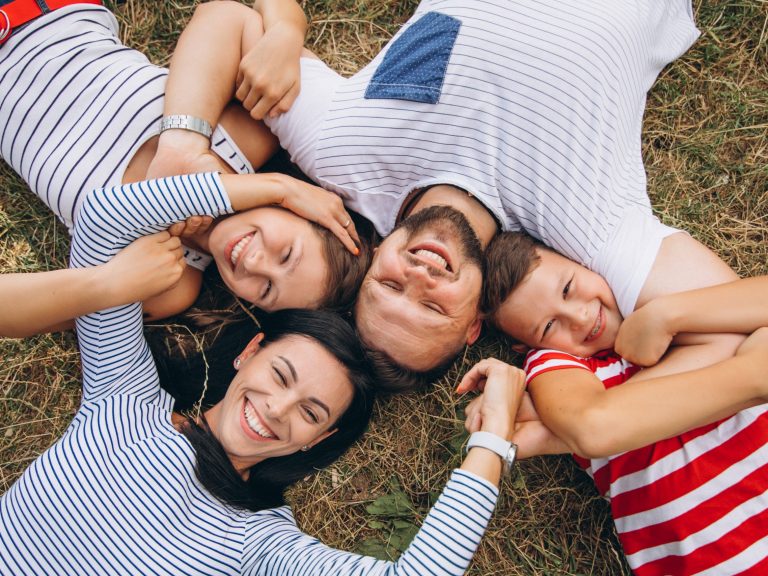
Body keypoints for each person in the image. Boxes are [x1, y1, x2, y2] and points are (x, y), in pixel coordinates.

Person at [154, 0, 742, 390]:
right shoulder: (590, 233)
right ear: (474, 323)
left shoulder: (343, 156)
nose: (419, 276)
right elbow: (739, 329)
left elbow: (230, 23)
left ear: (368, 258)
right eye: (433, 305)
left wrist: (183, 145)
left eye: (389, 286)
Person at [0, 169, 528, 575]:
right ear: (249, 352)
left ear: (318, 439)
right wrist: (274, 189)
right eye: (280, 375)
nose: (276, 409)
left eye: (310, 412)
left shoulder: (260, 544)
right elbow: (104, 217)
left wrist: (493, 437)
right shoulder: (125, 401)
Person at [0, 0, 369, 322]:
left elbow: (37, 310)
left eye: (267, 290)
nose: (255, 265)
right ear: (301, 210)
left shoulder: (170, 281)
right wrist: (185, 147)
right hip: (48, 12)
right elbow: (228, 18)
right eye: (286, 254)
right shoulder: (249, 136)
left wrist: (108, 285)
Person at [475, 231, 768, 575]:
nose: (581, 318)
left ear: (582, 263)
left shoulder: (670, 298)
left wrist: (667, 315)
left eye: (568, 288)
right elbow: (591, 420)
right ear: (527, 348)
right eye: (549, 326)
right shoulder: (558, 365)